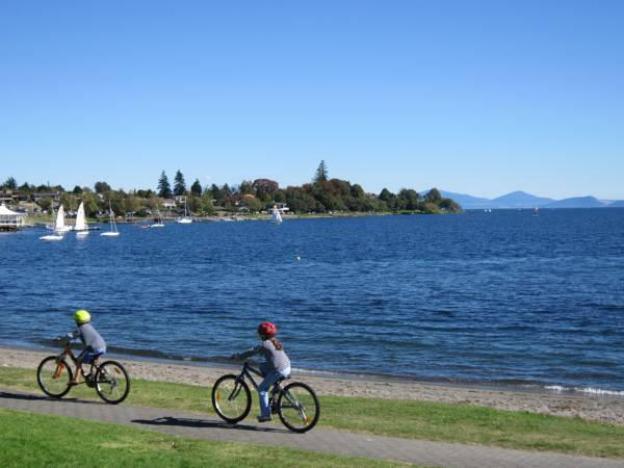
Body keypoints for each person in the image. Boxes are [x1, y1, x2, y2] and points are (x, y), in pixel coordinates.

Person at [233, 321, 291, 422]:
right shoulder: (275, 341)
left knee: (262, 389)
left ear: (262, 335)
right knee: (262, 366)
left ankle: (265, 415)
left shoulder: (264, 345)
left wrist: (239, 357)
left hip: (278, 370)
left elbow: (252, 351)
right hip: (287, 367)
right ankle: (275, 388)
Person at [66, 309, 107, 385]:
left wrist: (60, 339)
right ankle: (102, 373)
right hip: (102, 346)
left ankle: (76, 379)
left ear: (77, 321)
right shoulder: (90, 327)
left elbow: (70, 336)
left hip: (93, 348)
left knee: (78, 360)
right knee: (94, 361)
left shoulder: (80, 329)